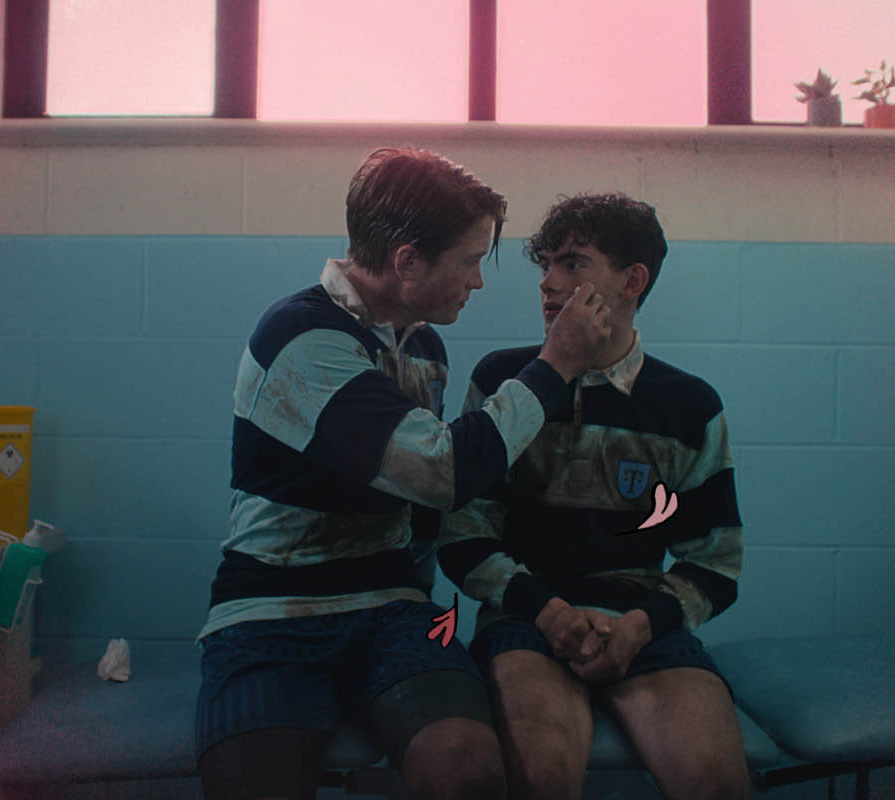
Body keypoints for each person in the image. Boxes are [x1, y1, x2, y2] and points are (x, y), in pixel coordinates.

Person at [194, 147, 614, 800]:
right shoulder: (301, 338)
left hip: (392, 607)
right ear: (408, 261)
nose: (478, 282)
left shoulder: (422, 346)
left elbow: (420, 508)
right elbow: (443, 473)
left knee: (468, 766)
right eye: (470, 261)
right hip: (272, 612)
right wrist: (556, 365)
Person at [438, 193, 749, 800]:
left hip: (641, 625)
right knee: (540, 776)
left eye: (573, 264)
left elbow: (716, 561)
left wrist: (641, 625)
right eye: (545, 265)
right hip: (527, 621)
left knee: (716, 784)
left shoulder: (689, 405)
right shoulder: (503, 383)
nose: (548, 283)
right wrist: (548, 612)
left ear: (632, 281)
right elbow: (463, 534)